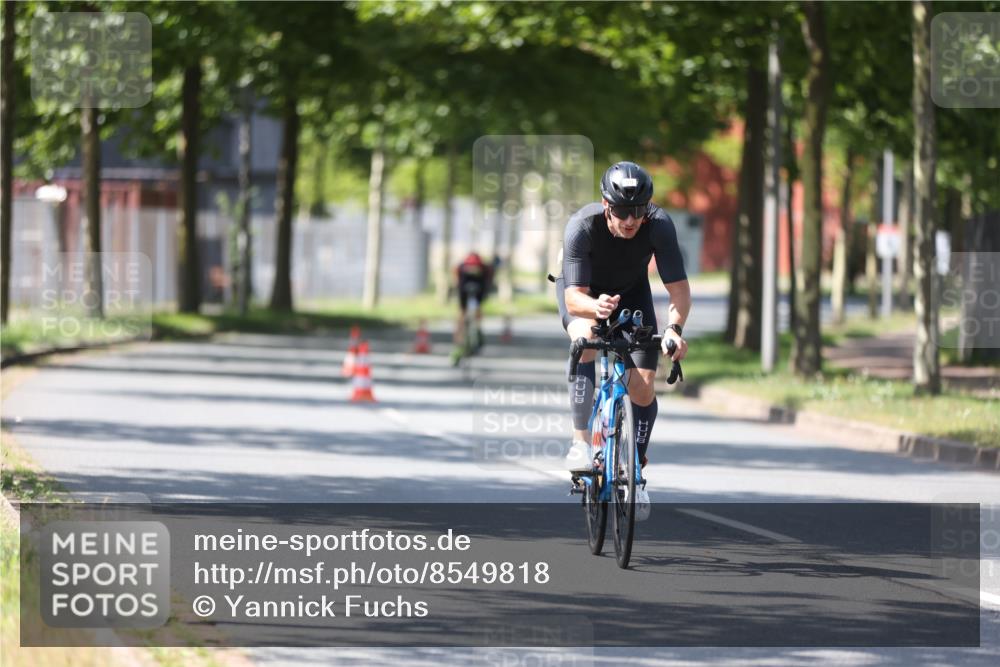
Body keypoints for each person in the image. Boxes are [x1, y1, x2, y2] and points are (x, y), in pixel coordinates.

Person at [556, 161, 691, 513]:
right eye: (621, 211)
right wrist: (593, 306)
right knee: (585, 338)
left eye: (638, 210)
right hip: (583, 292)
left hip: (631, 294)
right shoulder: (582, 227)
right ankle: (581, 443)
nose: (630, 220)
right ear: (606, 206)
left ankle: (633, 469)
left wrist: (675, 330)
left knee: (644, 386)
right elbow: (573, 297)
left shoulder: (659, 226)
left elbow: (678, 291)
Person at [453, 251, 493, 351]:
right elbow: (488, 282)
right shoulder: (484, 268)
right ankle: (477, 331)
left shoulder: (462, 267)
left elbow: (457, 281)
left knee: (462, 314)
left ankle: (458, 342)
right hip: (479, 289)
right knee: (477, 310)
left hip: (465, 289)